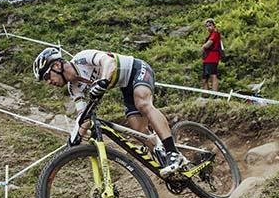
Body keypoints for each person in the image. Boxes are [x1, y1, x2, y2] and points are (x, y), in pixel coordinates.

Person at [33, 47, 185, 175]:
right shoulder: (74, 89)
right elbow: (83, 117)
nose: (48, 82)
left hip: (137, 69)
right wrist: (74, 141)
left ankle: (173, 153)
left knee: (142, 103)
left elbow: (108, 61)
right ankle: (163, 156)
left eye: (47, 76)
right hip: (125, 86)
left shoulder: (82, 58)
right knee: (138, 129)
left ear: (57, 66)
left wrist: (104, 80)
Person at [201, 18, 222, 97]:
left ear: (214, 25)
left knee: (213, 75)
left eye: (210, 25)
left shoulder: (215, 34)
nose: (208, 27)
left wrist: (203, 46)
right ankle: (205, 95)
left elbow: (207, 45)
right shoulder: (210, 35)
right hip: (207, 58)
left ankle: (214, 94)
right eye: (207, 26)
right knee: (204, 78)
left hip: (213, 57)